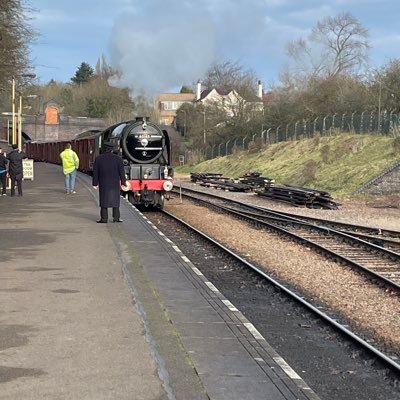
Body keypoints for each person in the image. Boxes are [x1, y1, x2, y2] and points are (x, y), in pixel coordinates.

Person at [92, 142, 127, 223]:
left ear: (105, 149)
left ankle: (104, 219)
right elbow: (122, 172)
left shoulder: (99, 158)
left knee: (104, 201)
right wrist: (123, 183)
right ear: (112, 149)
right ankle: (116, 218)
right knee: (115, 201)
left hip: (104, 183)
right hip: (114, 183)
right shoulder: (118, 159)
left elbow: (95, 172)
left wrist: (95, 183)